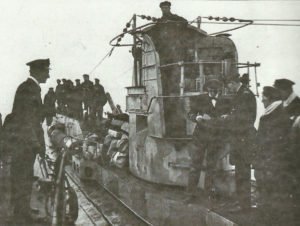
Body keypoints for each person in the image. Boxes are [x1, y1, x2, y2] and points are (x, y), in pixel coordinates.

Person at [2, 58, 50, 224]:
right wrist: (37, 145)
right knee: (21, 178)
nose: (49, 75)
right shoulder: (28, 89)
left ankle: (22, 211)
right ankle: (20, 217)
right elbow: (27, 121)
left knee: (25, 177)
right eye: (47, 71)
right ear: (39, 72)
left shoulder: (30, 88)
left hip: (24, 143)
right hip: (23, 144)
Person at [254, 86, 294, 225]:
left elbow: (269, 142)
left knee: (269, 196)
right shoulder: (281, 112)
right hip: (277, 164)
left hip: (270, 164)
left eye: (263, 97)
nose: (262, 100)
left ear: (270, 98)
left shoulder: (271, 116)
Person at [186, 79, 231, 200]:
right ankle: (190, 194)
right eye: (210, 90)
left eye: (214, 91)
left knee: (211, 166)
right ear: (207, 90)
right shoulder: (199, 99)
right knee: (195, 166)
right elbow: (190, 114)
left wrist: (227, 117)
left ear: (219, 90)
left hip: (215, 138)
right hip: (200, 137)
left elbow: (230, 114)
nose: (211, 93)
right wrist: (197, 117)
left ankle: (208, 193)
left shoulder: (226, 100)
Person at [222, 74, 257, 212]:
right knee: (240, 172)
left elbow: (244, 118)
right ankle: (242, 203)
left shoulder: (245, 94)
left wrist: (228, 118)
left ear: (233, 82)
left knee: (243, 173)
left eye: (228, 85)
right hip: (240, 139)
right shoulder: (241, 93)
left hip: (243, 140)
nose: (228, 88)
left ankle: (244, 205)